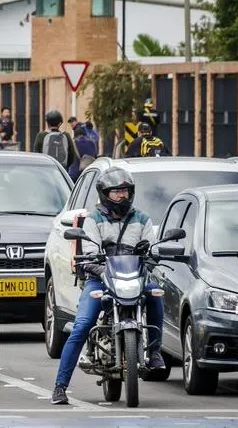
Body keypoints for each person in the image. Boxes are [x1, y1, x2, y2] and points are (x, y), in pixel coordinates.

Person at [51, 167, 164, 405]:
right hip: (101, 278)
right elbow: (90, 254)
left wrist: (153, 256)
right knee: (82, 325)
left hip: (135, 277)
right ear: (105, 194)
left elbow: (153, 252)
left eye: (125, 191)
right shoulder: (94, 220)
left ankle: (154, 351)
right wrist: (105, 272)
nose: (122, 196)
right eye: (116, 192)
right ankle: (60, 387)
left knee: (155, 294)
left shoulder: (142, 219)